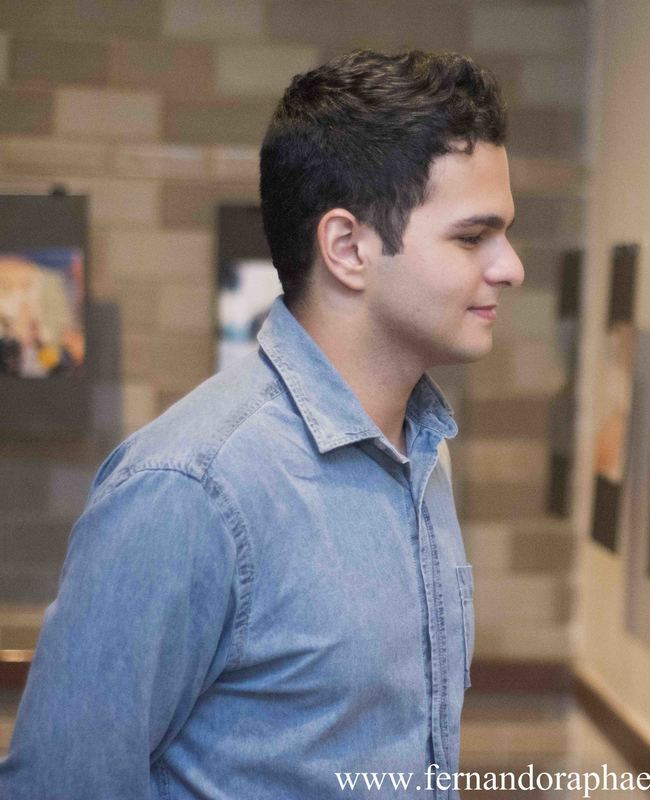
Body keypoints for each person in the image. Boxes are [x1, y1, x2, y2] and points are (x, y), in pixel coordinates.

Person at [0, 48, 522, 799]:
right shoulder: (189, 489)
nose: (511, 267)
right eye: (473, 237)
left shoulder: (423, 454)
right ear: (347, 248)